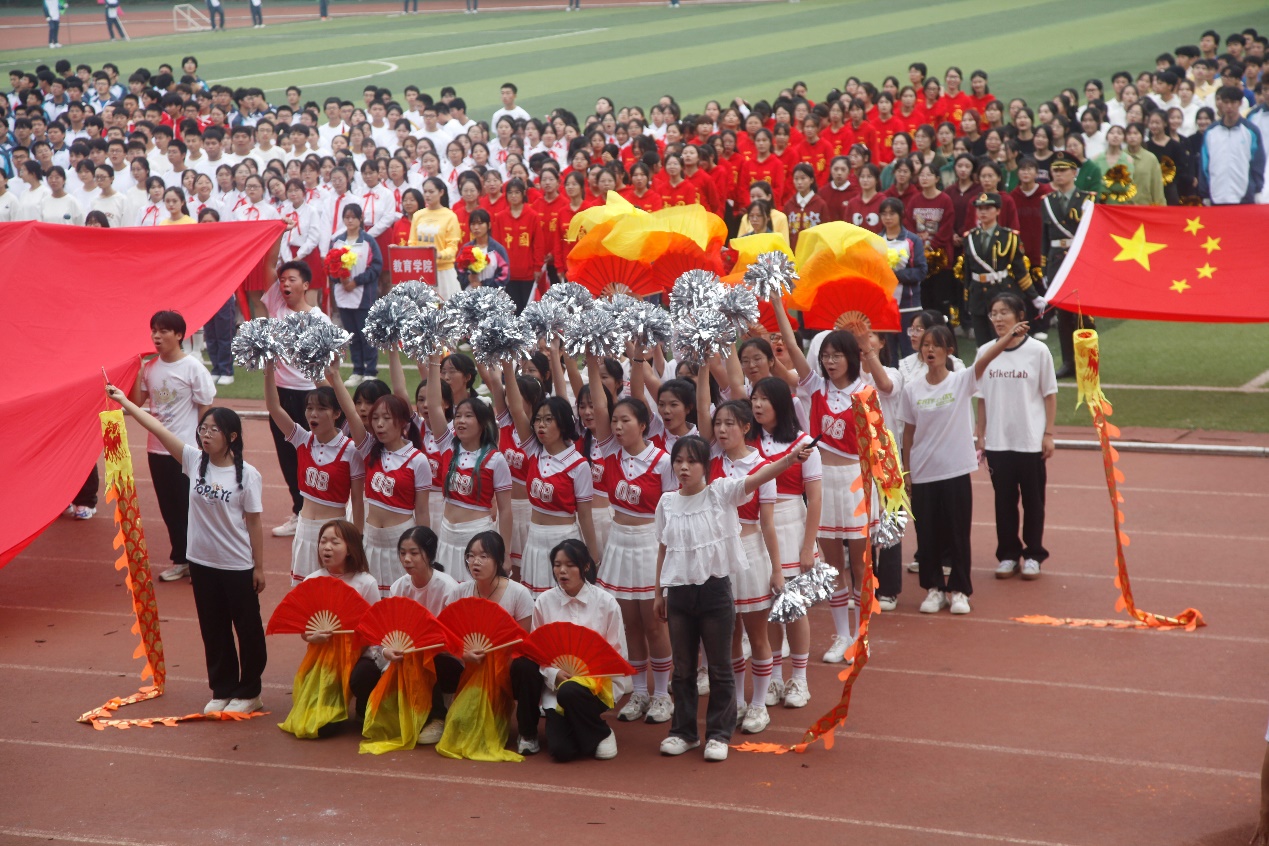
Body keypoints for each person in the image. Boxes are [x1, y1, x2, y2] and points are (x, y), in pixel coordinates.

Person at [104, 383, 266, 714]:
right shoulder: (194, 460)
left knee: (247, 629)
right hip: (202, 563)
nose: (205, 435)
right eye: (203, 429)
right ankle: (222, 688)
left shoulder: (248, 475)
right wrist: (124, 402)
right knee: (213, 627)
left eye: (214, 430)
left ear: (232, 437)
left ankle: (250, 692)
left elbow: (254, 523)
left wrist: (259, 566)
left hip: (236, 564)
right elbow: (157, 428)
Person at [653, 435, 810, 763]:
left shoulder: (721, 493)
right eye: (678, 461)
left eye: (691, 461)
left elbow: (758, 478)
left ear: (705, 466)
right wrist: (659, 592)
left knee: (720, 666)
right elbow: (664, 549)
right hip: (679, 593)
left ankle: (718, 734)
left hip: (715, 592)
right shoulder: (666, 503)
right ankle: (683, 732)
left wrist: (790, 460)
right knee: (683, 669)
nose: (683, 467)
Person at [898, 318, 1029, 616]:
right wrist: (906, 471)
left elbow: (985, 359)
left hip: (954, 471)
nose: (930, 350)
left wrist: (1009, 336)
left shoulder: (961, 381)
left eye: (936, 345)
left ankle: (959, 590)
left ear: (949, 350)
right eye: (925, 345)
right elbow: (908, 432)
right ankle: (934, 589)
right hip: (923, 471)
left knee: (957, 532)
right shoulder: (912, 389)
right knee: (927, 534)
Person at [772, 302, 870, 664]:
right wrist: (779, 303)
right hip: (823, 482)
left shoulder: (865, 393)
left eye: (836, 355)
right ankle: (842, 635)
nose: (829, 362)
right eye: (825, 356)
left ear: (851, 357)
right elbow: (791, 345)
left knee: (859, 565)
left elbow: (875, 448)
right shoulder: (814, 387)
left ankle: (861, 636)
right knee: (831, 565)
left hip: (855, 482)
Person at [583, 353, 676, 726]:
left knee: (654, 622)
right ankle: (639, 691)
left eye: (626, 421)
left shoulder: (664, 461)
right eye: (615, 421)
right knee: (629, 622)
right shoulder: (609, 451)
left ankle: (661, 694)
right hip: (619, 541)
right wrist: (591, 361)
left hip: (650, 542)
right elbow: (598, 403)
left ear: (643, 424)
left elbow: (672, 513)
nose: (618, 426)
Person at [693, 379, 780, 735]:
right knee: (727, 635)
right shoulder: (710, 461)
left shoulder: (763, 467)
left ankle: (759, 704)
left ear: (746, 427)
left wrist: (777, 570)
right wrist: (703, 367)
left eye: (730, 423)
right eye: (718, 424)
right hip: (717, 556)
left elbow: (768, 524)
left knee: (757, 634)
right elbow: (702, 408)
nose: (722, 429)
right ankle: (738, 702)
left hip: (751, 552)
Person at [510, 539, 627, 760]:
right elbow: (537, 652)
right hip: (555, 687)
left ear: (585, 566)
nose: (562, 571)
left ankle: (602, 731)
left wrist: (586, 677)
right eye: (557, 565)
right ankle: (542, 731)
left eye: (570, 565)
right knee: (561, 751)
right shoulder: (544, 602)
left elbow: (617, 654)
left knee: (570, 691)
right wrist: (553, 673)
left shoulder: (607, 603)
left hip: (594, 686)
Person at [749, 376, 822, 709]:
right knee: (766, 608)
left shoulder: (804, 443)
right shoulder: (747, 442)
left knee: (792, 607)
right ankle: (775, 676)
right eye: (754, 399)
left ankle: (800, 679)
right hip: (756, 528)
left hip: (791, 523)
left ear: (780, 403)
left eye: (764, 399)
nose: (757, 405)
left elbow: (815, 498)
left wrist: (808, 546)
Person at [128, 310, 217, 582]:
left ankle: (202, 562)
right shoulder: (151, 368)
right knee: (169, 508)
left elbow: (205, 406)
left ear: (179, 335)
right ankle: (181, 560)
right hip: (156, 450)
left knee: (191, 507)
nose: (156, 336)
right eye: (154, 330)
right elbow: (136, 403)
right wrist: (136, 371)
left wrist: (203, 443)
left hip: (185, 451)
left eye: (163, 331)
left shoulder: (193, 368)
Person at [973, 293, 1057, 581]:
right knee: (1004, 502)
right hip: (999, 442)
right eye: (993, 313)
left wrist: (1048, 434)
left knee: (1034, 501)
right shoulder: (985, 352)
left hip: (1030, 441)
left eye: (1003, 313)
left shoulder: (1038, 351)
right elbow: (982, 399)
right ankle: (1008, 554)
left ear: (1020, 316)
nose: (997, 319)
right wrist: (980, 436)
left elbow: (1049, 395)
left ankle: (1034, 554)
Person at [502, 359, 598, 594]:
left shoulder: (578, 464)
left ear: (562, 423)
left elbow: (585, 516)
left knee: (564, 601)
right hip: (534, 539)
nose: (540, 426)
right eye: (538, 419)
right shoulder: (534, 450)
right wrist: (506, 364)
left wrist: (592, 557)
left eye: (548, 420)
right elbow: (516, 409)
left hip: (564, 540)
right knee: (535, 603)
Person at [264, 362, 364, 585]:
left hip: (334, 533)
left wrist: (357, 539)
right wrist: (269, 369)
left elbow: (357, 500)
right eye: (309, 408)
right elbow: (274, 407)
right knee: (302, 593)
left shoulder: (351, 450)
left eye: (321, 409)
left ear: (337, 413)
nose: (313, 414)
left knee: (332, 592)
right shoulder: (302, 438)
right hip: (304, 531)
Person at [281, 519, 379, 737]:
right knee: (321, 727)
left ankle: (364, 705)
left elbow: (374, 631)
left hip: (358, 655)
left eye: (335, 542)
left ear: (350, 549)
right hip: (322, 657)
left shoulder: (366, 583)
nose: (327, 547)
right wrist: (311, 637)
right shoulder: (312, 580)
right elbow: (305, 629)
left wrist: (350, 652)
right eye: (323, 541)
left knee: (364, 675)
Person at [423, 356, 513, 576]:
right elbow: (434, 405)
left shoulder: (495, 459)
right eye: (458, 416)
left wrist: (506, 553)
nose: (460, 421)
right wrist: (434, 362)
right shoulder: (447, 445)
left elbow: (505, 510)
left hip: (477, 539)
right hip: (446, 535)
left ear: (483, 423)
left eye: (468, 416)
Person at [262, 259, 332, 538]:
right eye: (282, 280)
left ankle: (319, 509)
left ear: (306, 285)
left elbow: (330, 366)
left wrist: (328, 400)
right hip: (279, 395)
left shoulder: (320, 320)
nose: (285, 284)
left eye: (291, 280)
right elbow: (268, 265)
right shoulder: (277, 308)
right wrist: (277, 233)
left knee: (312, 455)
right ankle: (299, 510)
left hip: (309, 395)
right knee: (286, 456)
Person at [959, 192, 1042, 347]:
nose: (983, 212)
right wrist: (967, 300)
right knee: (983, 345)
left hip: (1000, 291)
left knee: (1005, 341)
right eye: (980, 209)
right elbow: (968, 272)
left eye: (988, 208)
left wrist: (1034, 296)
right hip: (978, 295)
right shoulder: (970, 237)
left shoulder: (1008, 237)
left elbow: (1020, 270)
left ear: (998, 211)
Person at [1041, 153, 1096, 379]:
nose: (1059, 174)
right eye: (1055, 170)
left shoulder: (1088, 199)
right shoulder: (1047, 201)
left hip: (1080, 260)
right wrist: (1044, 267)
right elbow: (1045, 237)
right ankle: (1068, 362)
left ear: (1074, 172)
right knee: (1063, 314)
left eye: (1063, 170)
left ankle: (1088, 362)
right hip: (1057, 261)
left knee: (1084, 314)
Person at [329, 202, 383, 387]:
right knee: (352, 335)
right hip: (343, 295)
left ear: (361, 219)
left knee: (366, 334)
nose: (350, 220)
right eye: (347, 217)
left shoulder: (369, 241)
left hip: (363, 295)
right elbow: (330, 266)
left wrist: (356, 282)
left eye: (353, 217)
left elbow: (376, 267)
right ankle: (357, 370)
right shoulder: (337, 241)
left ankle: (371, 371)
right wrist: (340, 279)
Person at [1200, 85, 1266, 204]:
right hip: (1216, 194)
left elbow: (1258, 162)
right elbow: (1205, 163)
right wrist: (1205, 193)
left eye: (1233, 102)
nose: (1229, 106)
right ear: (1221, 103)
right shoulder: (1211, 132)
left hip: (1244, 196)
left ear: (1240, 103)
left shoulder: (1251, 131)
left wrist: (1257, 190)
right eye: (1226, 102)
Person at [408, 177, 462, 300]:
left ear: (441, 192)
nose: (427, 195)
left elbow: (453, 247)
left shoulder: (450, 216)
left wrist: (439, 254)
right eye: (425, 192)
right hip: (422, 270)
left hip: (443, 272)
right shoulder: (418, 215)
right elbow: (412, 243)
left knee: (446, 307)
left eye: (431, 192)